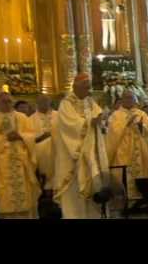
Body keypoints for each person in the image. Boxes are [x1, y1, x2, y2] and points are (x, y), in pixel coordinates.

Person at [53, 73, 110, 219]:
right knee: (74, 195)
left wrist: (101, 121)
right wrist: (90, 123)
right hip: (73, 156)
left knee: (92, 195)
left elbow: (99, 118)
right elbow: (69, 125)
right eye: (85, 87)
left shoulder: (90, 102)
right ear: (75, 87)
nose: (88, 90)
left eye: (89, 87)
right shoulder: (66, 103)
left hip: (90, 155)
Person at [107, 90, 148, 201]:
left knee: (142, 174)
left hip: (140, 151)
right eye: (126, 98)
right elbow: (113, 133)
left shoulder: (141, 114)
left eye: (131, 98)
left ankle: (142, 199)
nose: (129, 100)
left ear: (135, 99)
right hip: (123, 151)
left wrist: (142, 126)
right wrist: (126, 125)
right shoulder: (116, 115)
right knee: (125, 176)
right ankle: (126, 201)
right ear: (122, 100)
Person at [0, 92, 40, 218]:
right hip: (2, 161)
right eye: (4, 102)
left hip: (21, 160)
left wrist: (20, 136)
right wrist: (5, 138)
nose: (7, 104)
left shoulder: (22, 117)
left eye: (9, 101)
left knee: (25, 192)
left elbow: (31, 134)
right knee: (5, 191)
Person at [29, 95, 58, 192]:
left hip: (58, 146)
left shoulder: (59, 115)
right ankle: (47, 182)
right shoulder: (30, 119)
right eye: (41, 102)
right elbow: (29, 138)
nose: (44, 104)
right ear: (36, 103)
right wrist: (41, 137)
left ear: (50, 102)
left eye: (46, 101)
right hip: (39, 147)